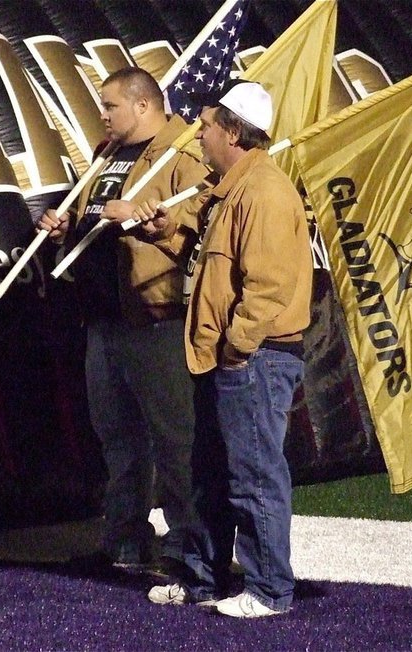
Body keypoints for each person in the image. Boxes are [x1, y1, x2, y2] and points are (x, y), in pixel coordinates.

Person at [138, 80, 313, 617]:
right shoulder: (231, 188)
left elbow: (268, 284)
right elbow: (205, 257)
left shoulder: (263, 190)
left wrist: (237, 346)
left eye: (209, 125)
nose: (201, 134)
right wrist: (166, 232)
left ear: (233, 131)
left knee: (253, 474)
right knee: (211, 474)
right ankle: (203, 580)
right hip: (223, 356)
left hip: (251, 358)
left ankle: (268, 591)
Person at [37, 67, 210, 570]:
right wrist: (65, 228)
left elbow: (204, 227)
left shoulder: (185, 152)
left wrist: (154, 224)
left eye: (110, 106)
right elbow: (95, 219)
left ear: (142, 105)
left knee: (175, 439)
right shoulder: (106, 153)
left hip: (155, 318)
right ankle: (125, 541)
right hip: (103, 317)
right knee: (118, 438)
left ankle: (186, 547)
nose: (103, 116)